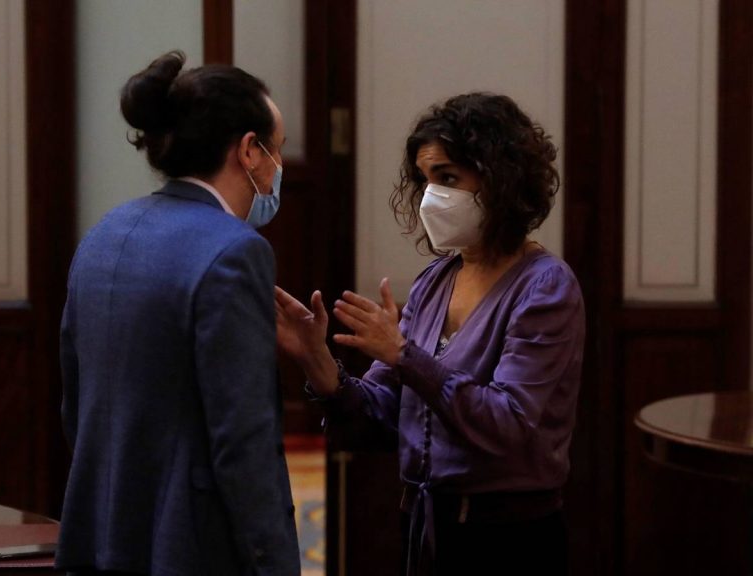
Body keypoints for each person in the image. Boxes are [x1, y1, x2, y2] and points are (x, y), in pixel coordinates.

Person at [275, 93, 585, 576]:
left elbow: (506, 424)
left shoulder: (545, 286)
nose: (430, 197)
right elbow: (379, 417)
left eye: (447, 178)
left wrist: (405, 355)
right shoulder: (435, 281)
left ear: (500, 177)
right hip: (425, 526)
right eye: (424, 180)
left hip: (507, 537)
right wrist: (316, 360)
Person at [56, 51, 300, 576]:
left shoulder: (104, 233)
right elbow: (243, 441)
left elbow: (75, 405)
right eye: (278, 149)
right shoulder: (235, 250)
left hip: (102, 533)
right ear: (249, 151)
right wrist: (274, 563)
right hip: (193, 549)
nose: (280, 166)